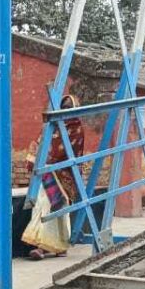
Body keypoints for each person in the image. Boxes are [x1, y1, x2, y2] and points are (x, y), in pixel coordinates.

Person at [21, 94, 87, 260]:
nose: (65, 110)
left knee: (58, 208)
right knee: (41, 204)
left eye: (68, 108)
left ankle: (48, 247)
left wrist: (47, 158)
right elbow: (39, 142)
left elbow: (63, 152)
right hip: (46, 172)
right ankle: (48, 245)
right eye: (63, 107)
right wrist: (35, 158)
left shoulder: (76, 129)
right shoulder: (52, 126)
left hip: (64, 175)